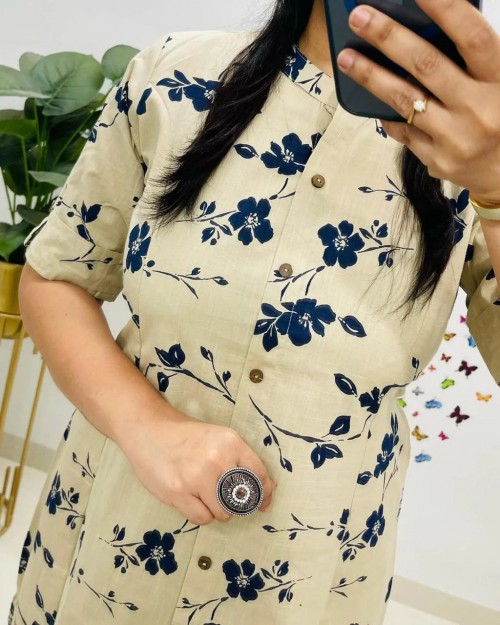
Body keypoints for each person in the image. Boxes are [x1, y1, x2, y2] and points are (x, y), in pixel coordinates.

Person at [9, 0, 500, 623]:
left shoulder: (480, 147)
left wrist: (496, 188)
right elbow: (57, 276)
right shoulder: (176, 76)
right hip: (110, 534)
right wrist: (147, 428)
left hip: (308, 576)